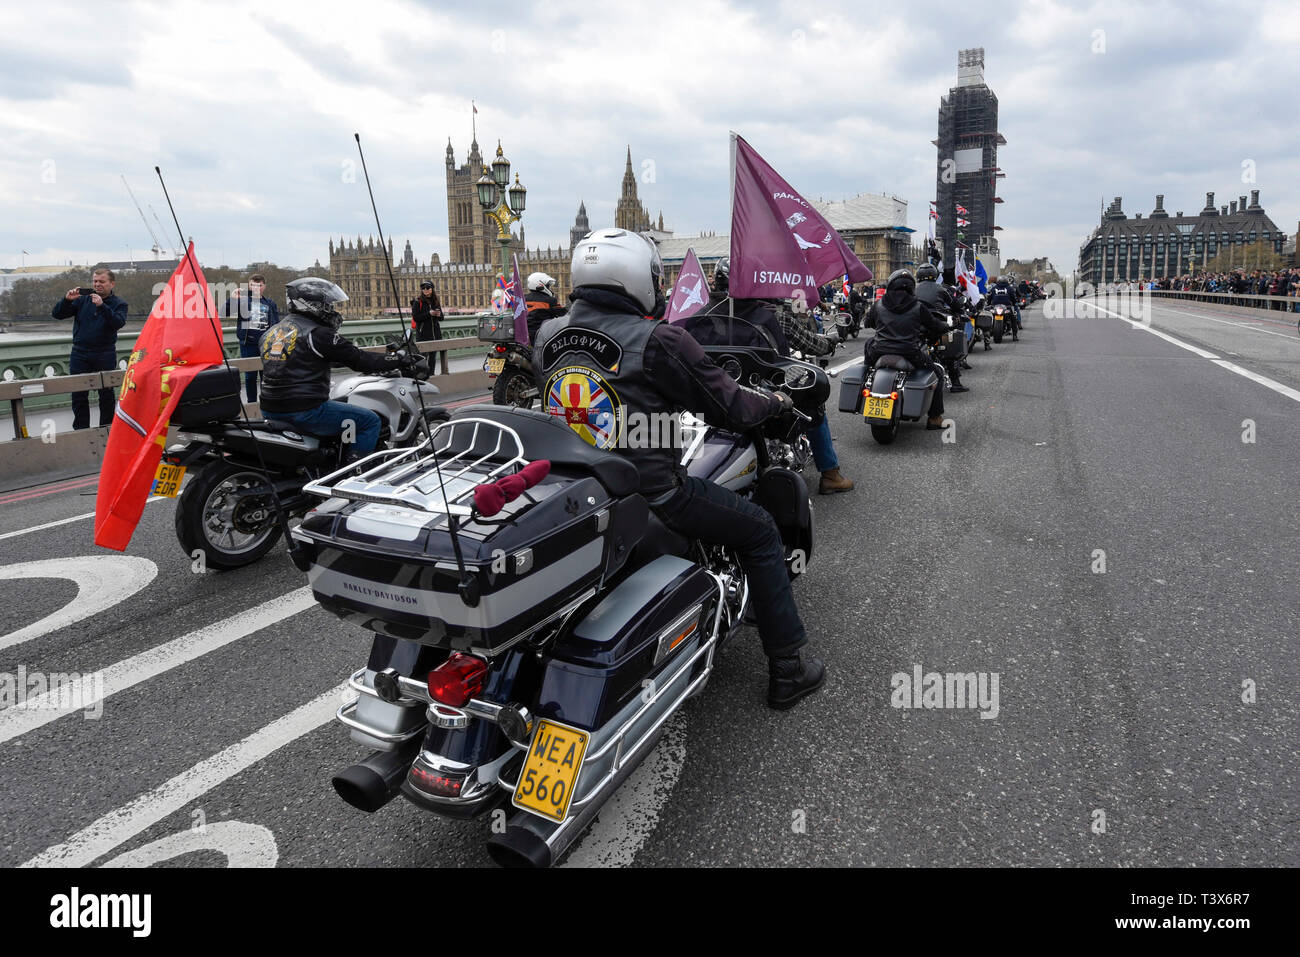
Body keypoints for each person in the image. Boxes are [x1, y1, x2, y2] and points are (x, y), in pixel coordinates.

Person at [535, 228, 825, 709]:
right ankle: (788, 669)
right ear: (635, 279)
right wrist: (774, 401)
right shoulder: (659, 340)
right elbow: (730, 408)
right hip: (655, 495)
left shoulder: (547, 334)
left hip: (574, 491)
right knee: (760, 531)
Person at [686, 259, 851, 493]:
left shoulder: (699, 317)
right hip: (763, 398)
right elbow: (810, 344)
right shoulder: (774, 316)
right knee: (815, 409)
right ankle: (830, 475)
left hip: (711, 395)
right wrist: (830, 343)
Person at [259, 277, 422, 457]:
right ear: (312, 305)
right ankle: (355, 471)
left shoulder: (272, 332)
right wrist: (396, 359)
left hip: (270, 407)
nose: (331, 310)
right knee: (369, 420)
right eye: (327, 305)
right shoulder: (318, 333)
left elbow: (305, 358)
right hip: (305, 410)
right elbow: (360, 360)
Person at [864, 269, 950, 430]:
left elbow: (867, 322)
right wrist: (947, 325)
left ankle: (866, 374)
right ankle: (935, 418)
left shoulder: (879, 304)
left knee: (869, 346)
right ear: (911, 287)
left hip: (879, 350)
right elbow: (935, 325)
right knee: (937, 373)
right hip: (909, 352)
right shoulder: (918, 306)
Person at [52, 268, 128, 430]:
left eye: (102, 281)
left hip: (104, 352)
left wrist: (102, 306)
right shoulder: (83, 300)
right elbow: (57, 314)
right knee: (78, 394)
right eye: (95, 281)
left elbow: (118, 323)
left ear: (111, 283)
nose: (97, 284)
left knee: (106, 394)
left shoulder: (119, 303)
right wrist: (66, 300)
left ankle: (106, 429)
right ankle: (81, 430)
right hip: (80, 352)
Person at [225, 273, 279, 403]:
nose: (256, 288)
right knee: (250, 377)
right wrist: (232, 299)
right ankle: (252, 403)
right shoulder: (243, 301)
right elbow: (226, 312)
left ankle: (266, 403)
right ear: (249, 286)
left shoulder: (270, 303)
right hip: (248, 344)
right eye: (253, 285)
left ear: (264, 287)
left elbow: (276, 324)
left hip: (266, 345)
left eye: (259, 285)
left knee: (266, 377)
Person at [914, 264, 967, 393]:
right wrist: (960, 312)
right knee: (949, 346)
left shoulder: (912, 289)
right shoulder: (940, 289)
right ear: (935, 275)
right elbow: (954, 304)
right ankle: (956, 383)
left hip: (915, 324)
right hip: (936, 323)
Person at [410, 280, 448, 375]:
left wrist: (438, 314)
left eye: (428, 288)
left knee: (432, 358)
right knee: (423, 358)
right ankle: (422, 377)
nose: (425, 290)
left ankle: (431, 375)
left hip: (435, 334)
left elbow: (441, 318)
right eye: (423, 288)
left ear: (432, 289)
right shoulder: (418, 302)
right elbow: (416, 318)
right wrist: (429, 313)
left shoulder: (435, 301)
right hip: (423, 335)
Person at [523, 272, 566, 345]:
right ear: (541, 286)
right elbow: (564, 314)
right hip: (542, 336)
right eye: (548, 286)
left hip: (524, 335)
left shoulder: (523, 299)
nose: (549, 288)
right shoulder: (550, 301)